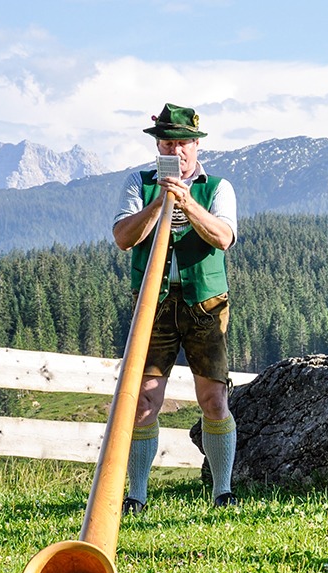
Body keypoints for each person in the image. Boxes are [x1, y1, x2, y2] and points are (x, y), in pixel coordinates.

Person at [112, 103, 239, 512]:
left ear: (196, 146)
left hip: (206, 302)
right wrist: (158, 203)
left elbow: (223, 238)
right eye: (168, 142)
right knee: (145, 398)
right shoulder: (139, 183)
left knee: (213, 397)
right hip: (154, 302)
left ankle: (222, 490)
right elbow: (122, 237)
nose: (177, 150)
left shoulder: (218, 187)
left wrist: (186, 203)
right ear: (158, 146)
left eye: (184, 143)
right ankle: (137, 495)